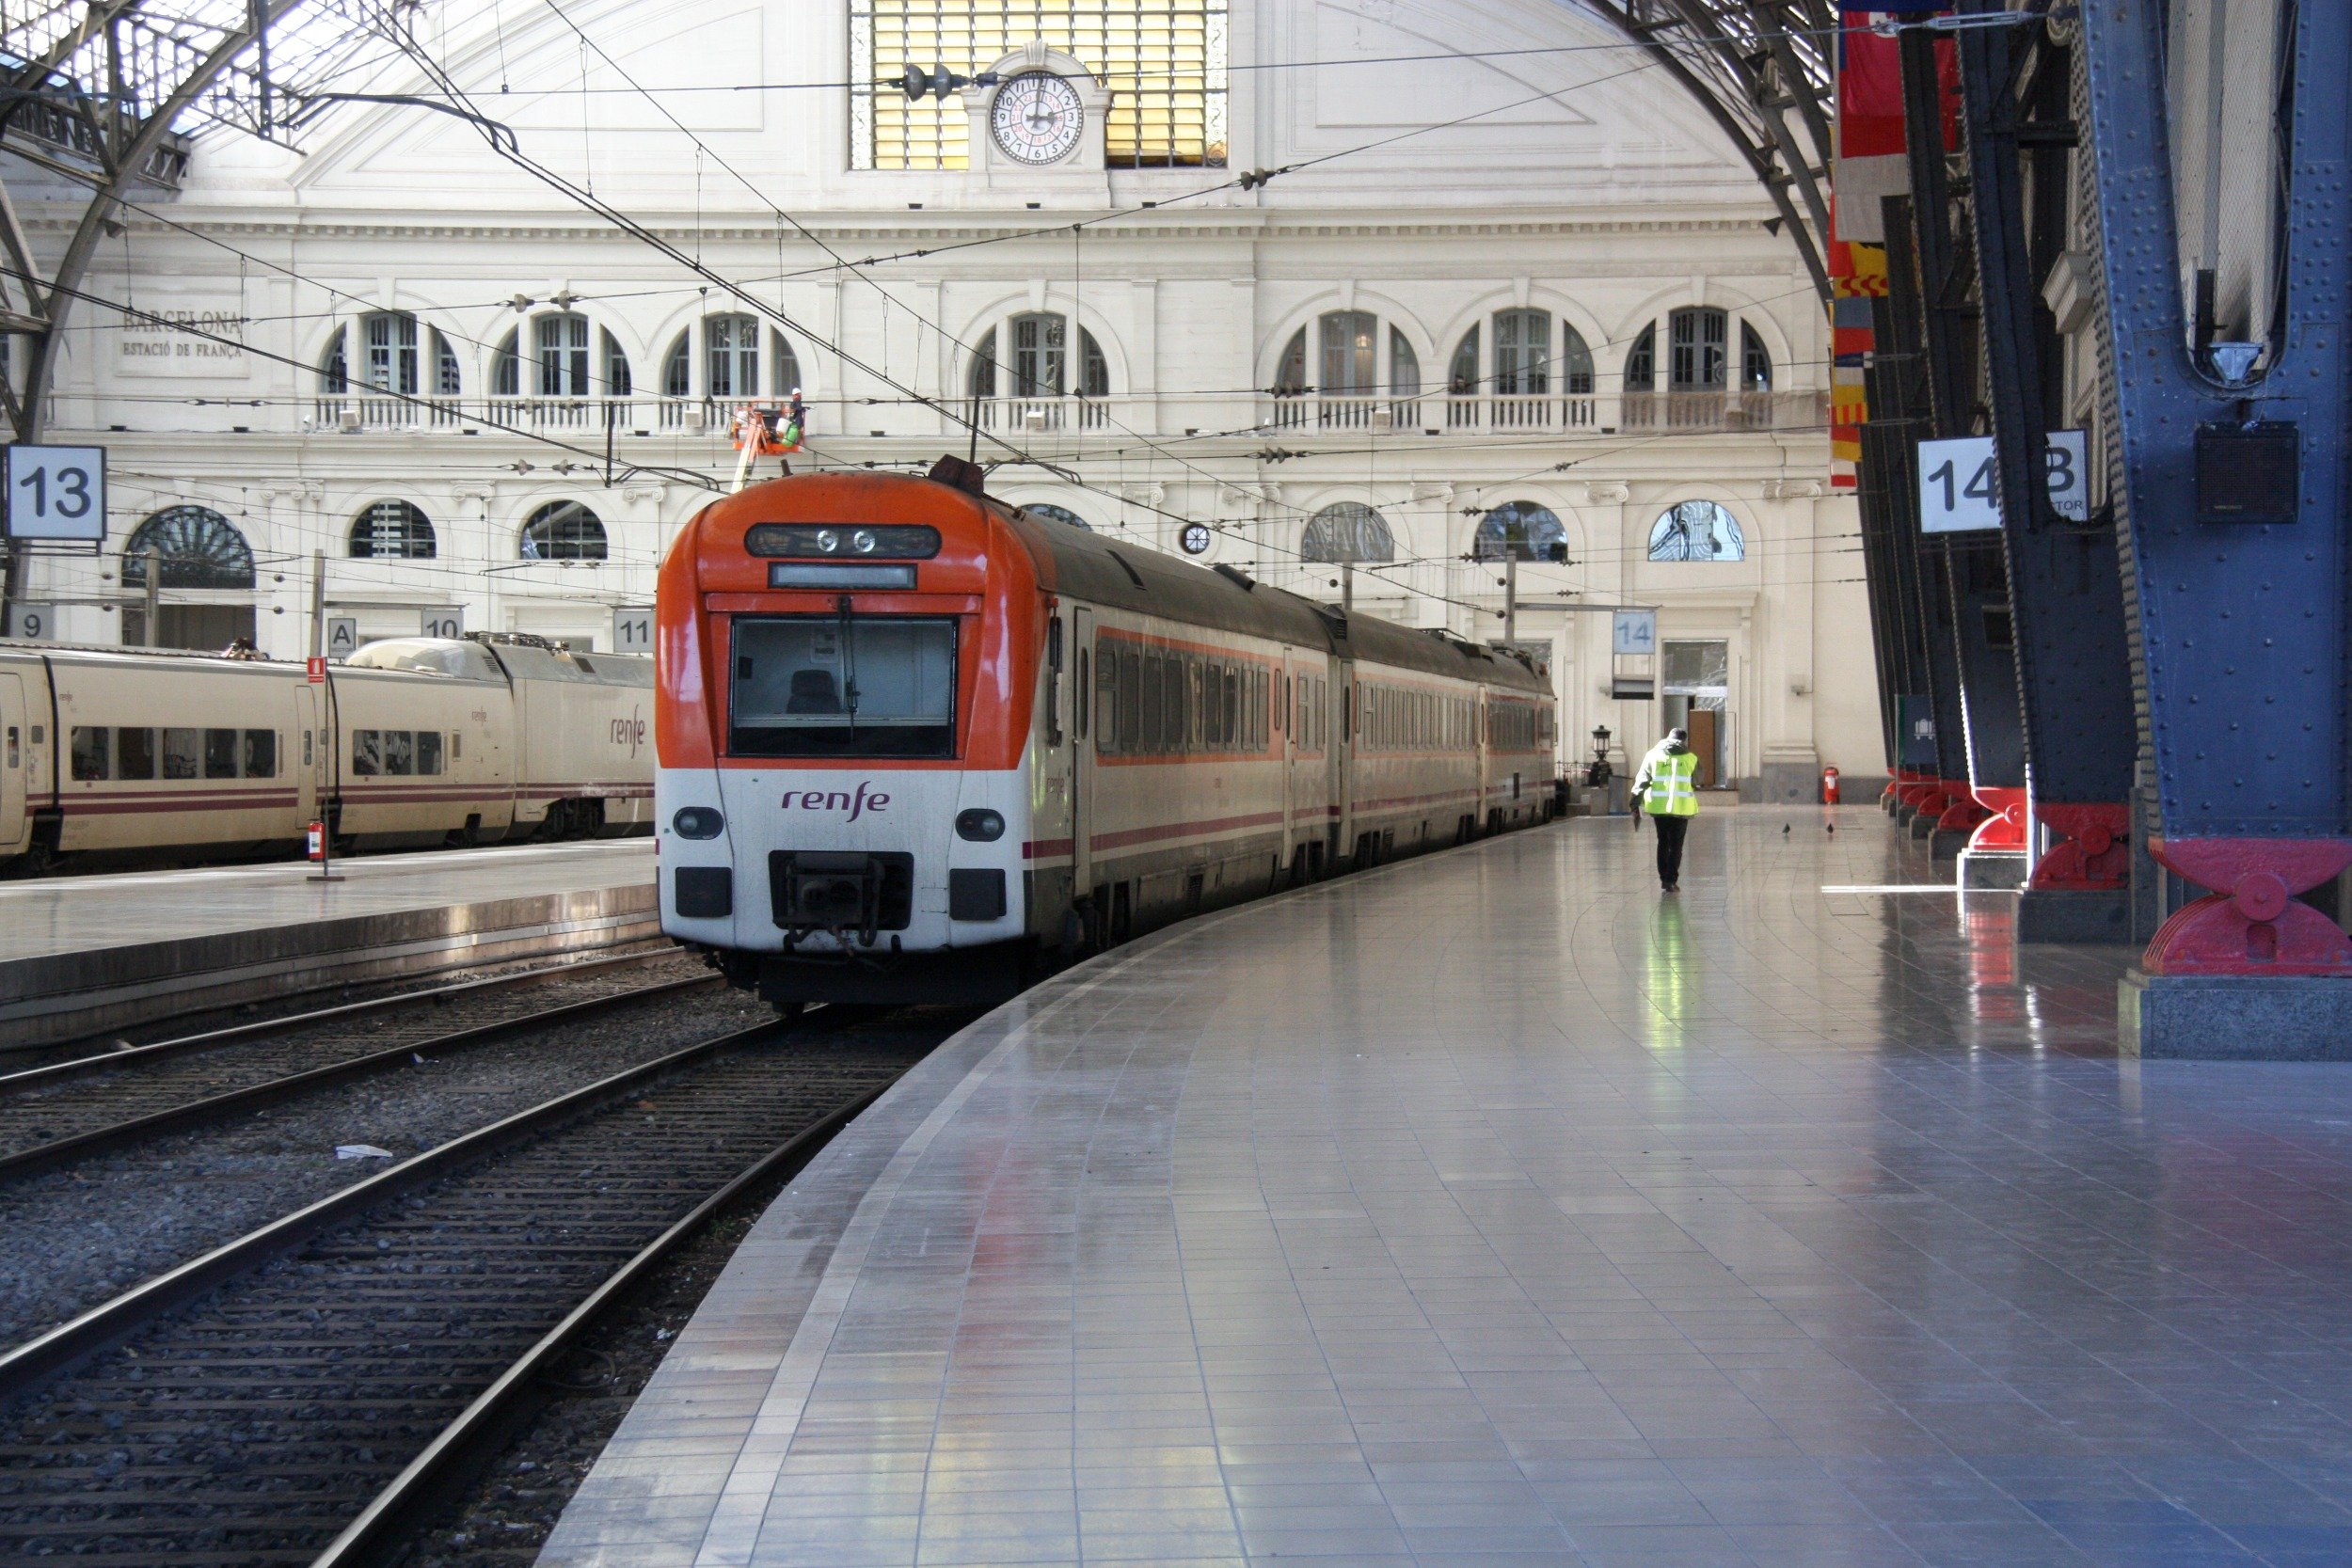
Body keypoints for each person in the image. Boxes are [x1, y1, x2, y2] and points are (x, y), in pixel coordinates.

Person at [1632, 725, 1700, 891]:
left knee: (1663, 841)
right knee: (1676, 845)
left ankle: (1663, 878)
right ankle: (1671, 880)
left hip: (1659, 807)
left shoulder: (1652, 755)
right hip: (1681, 808)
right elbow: (1697, 779)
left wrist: (1635, 801)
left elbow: (1641, 780)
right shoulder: (1691, 758)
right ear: (1684, 741)